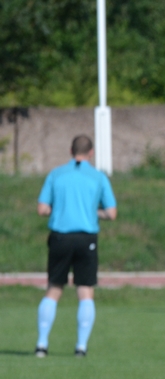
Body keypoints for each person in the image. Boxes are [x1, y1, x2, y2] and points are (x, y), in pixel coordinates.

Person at [35, 135, 117, 358]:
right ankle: (81, 346)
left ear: (70, 150)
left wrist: (59, 209)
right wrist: (94, 212)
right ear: (91, 152)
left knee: (53, 289)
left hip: (60, 237)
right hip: (86, 238)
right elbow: (111, 213)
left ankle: (41, 344)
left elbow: (42, 209)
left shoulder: (56, 174)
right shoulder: (98, 177)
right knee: (85, 291)